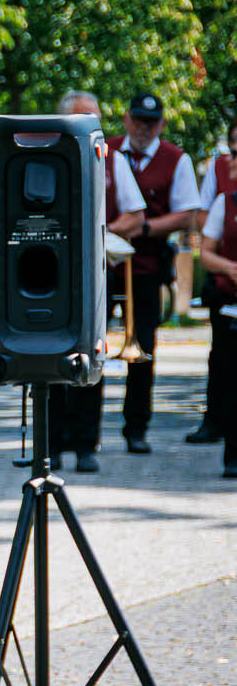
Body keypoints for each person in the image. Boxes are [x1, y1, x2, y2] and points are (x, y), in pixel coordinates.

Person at [50, 90, 146, 472]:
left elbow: (135, 215)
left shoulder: (112, 159)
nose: (95, 127)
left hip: (95, 274)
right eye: (85, 118)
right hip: (53, 274)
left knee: (91, 355)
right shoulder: (47, 155)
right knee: (50, 358)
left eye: (97, 118)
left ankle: (87, 443)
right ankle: (52, 443)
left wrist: (97, 233)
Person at [108, 91, 203, 452]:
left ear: (161, 124)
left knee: (143, 348)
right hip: (103, 264)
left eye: (150, 122)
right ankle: (79, 431)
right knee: (88, 344)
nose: (142, 128)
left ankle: (136, 428)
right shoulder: (108, 149)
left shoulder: (175, 159)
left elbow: (187, 214)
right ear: (126, 120)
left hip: (146, 265)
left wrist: (142, 227)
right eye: (137, 121)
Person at [191, 121, 237, 445]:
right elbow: (204, 220)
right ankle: (215, 421)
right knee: (222, 359)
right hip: (227, 286)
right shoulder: (219, 171)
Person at [196, 189, 237, 478]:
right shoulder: (227, 201)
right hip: (231, 303)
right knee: (232, 381)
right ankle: (233, 455)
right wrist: (231, 268)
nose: (231, 161)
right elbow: (206, 254)